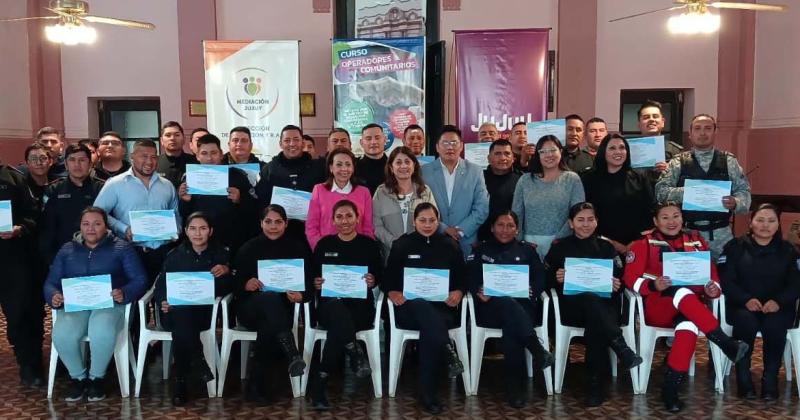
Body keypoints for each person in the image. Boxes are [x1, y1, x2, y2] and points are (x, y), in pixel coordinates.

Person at [622, 201, 748, 412]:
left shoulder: (696, 241)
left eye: (676, 216)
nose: (672, 221)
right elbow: (629, 279)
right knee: (681, 291)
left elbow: (712, 275)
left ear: (682, 218)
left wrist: (712, 288)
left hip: (692, 310)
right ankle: (725, 343)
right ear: (655, 221)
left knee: (688, 329)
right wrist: (653, 284)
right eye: (665, 217)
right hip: (659, 307)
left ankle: (670, 388)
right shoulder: (642, 244)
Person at [44, 207, 147, 402]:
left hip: (110, 303)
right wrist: (54, 295)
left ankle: (97, 378)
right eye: (86, 224)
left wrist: (124, 292)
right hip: (76, 305)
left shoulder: (122, 247)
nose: (91, 229)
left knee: (101, 329)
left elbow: (140, 279)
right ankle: (78, 378)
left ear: (106, 227)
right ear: (80, 227)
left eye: (97, 224)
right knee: (62, 334)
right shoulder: (67, 250)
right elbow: (51, 282)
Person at [545, 203, 642, 406]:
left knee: (596, 320)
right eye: (580, 220)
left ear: (597, 221)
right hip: (571, 309)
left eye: (591, 219)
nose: (586, 224)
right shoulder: (559, 247)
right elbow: (544, 280)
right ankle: (618, 351)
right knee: (592, 306)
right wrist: (557, 277)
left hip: (604, 307)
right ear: (571, 223)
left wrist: (617, 283)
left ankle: (595, 385)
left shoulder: (607, 247)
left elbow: (620, 277)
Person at [382, 203, 466, 415]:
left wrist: (458, 292)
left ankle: (428, 393)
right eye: (422, 220)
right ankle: (446, 353)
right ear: (414, 222)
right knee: (421, 306)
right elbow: (388, 279)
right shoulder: (402, 245)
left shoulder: (450, 245)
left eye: (432, 220)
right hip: (409, 310)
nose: (427, 225)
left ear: (438, 221)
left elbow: (462, 279)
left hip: (443, 309)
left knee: (432, 327)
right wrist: (392, 291)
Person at [468, 211, 554, 408]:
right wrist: (477, 290)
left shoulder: (527, 251)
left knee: (512, 326)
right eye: (500, 225)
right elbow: (470, 276)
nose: (505, 230)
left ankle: (515, 388)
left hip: (523, 309)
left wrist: (532, 290)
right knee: (508, 307)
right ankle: (535, 349)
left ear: (517, 229)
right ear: (492, 227)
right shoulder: (481, 250)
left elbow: (540, 278)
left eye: (510, 226)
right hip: (490, 310)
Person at [719, 203, 800, 400]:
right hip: (742, 306)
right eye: (760, 220)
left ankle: (770, 380)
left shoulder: (788, 251)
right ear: (750, 222)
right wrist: (745, 299)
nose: (765, 225)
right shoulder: (735, 247)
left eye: (771, 221)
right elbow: (726, 281)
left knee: (775, 324)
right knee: (746, 321)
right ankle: (744, 379)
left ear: (778, 224)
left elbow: (796, 284)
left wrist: (778, 302)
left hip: (778, 308)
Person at [308, 200, 383, 410]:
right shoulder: (324, 245)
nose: (345, 221)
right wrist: (315, 281)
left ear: (358, 218)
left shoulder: (369, 245)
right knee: (336, 309)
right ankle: (354, 351)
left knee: (337, 328)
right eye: (339, 217)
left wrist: (373, 279)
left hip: (360, 309)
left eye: (349, 216)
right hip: (328, 306)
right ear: (332, 220)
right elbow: (311, 275)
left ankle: (320, 385)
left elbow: (379, 275)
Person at [232, 205, 309, 405]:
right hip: (250, 310)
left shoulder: (297, 248)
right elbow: (234, 284)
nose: (273, 226)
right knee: (270, 298)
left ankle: (256, 386)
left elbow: (309, 284)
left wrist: (301, 295)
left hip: (281, 313)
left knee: (269, 325)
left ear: (286, 223)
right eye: (268, 222)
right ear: (261, 223)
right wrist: (245, 284)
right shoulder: (248, 248)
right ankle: (291, 352)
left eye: (278, 222)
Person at [154, 212, 232, 405]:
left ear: (211, 231)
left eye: (203, 228)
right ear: (186, 231)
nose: (198, 233)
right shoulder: (174, 255)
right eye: (193, 228)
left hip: (203, 313)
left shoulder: (220, 255)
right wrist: (163, 300)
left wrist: (225, 273)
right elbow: (160, 286)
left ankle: (181, 381)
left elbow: (229, 288)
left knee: (183, 323)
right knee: (181, 315)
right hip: (173, 312)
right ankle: (198, 360)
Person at [655, 113, 751, 260]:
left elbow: (744, 192)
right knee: (691, 280)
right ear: (690, 134)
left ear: (714, 132)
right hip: (688, 234)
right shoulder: (678, 162)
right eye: (697, 128)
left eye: (708, 128)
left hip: (722, 235)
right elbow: (660, 193)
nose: (702, 133)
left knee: (726, 277)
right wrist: (688, 193)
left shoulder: (728, 161)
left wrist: (736, 202)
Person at [94, 139, 180, 288]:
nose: (149, 161)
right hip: (131, 252)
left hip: (163, 253)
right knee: (135, 301)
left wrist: (176, 230)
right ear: (132, 157)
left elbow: (176, 215)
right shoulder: (115, 183)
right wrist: (123, 228)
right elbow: (97, 214)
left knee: (164, 300)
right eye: (144, 156)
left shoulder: (167, 185)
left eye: (153, 157)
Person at [0, 158, 44, 388]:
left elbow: (33, 214)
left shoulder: (15, 178)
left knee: (21, 314)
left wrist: (21, 228)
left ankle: (29, 365)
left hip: (13, 259)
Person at [177, 134, 258, 254]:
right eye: (204, 153)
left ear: (221, 153)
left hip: (231, 242)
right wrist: (184, 201)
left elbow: (254, 210)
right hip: (201, 244)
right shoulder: (190, 178)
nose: (209, 158)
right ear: (197, 156)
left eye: (213, 153)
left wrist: (240, 199)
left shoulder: (237, 176)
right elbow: (184, 215)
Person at [512, 135, 585, 259]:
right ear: (538, 155)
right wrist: (519, 243)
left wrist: (557, 242)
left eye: (552, 150)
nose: (548, 155)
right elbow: (516, 214)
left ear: (561, 152)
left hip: (563, 244)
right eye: (543, 151)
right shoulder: (525, 180)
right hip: (529, 246)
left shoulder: (572, 179)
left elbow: (577, 214)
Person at [421, 125, 489, 257]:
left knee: (465, 277)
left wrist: (460, 230)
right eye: (445, 143)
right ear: (437, 147)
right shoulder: (424, 172)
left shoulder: (475, 171)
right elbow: (421, 205)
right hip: (434, 236)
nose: (450, 147)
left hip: (465, 240)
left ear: (461, 146)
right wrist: (444, 228)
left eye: (454, 142)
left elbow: (482, 207)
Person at [581, 134, 654, 254]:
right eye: (612, 148)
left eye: (622, 147)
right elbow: (585, 213)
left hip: (637, 244)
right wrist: (611, 243)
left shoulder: (639, 177)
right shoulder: (589, 179)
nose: (618, 152)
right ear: (603, 151)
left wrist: (637, 241)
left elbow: (650, 210)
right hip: (601, 244)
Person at [40, 144, 104, 265]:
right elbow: (47, 229)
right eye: (72, 160)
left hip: (98, 255)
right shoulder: (53, 190)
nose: (77, 164)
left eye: (82, 160)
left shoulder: (102, 188)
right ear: (65, 165)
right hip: (63, 256)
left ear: (90, 164)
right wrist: (50, 260)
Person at [373, 146, 436, 261]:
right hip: (390, 253)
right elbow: (376, 225)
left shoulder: (425, 191)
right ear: (391, 168)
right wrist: (395, 243)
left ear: (414, 166)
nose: (403, 166)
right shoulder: (381, 192)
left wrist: (415, 243)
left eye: (407, 162)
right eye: (398, 162)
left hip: (420, 252)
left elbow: (434, 220)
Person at [306, 148, 374, 249]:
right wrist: (320, 249)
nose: (344, 169)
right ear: (331, 168)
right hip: (327, 251)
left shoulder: (364, 192)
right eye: (339, 164)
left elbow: (368, 227)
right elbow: (311, 227)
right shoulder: (319, 190)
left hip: (358, 250)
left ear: (353, 168)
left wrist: (366, 249)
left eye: (348, 164)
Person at [255, 124, 326, 210]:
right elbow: (262, 201)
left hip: (311, 221)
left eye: (296, 140)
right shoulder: (269, 169)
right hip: (279, 222)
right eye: (287, 140)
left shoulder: (318, 168)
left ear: (303, 143)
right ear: (280, 144)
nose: (292, 144)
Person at [478, 139, 521, 242]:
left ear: (513, 158)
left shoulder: (521, 180)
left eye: (507, 153)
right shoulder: (478, 178)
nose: (503, 158)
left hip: (512, 239)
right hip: (482, 238)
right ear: (489, 158)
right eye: (498, 153)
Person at [157, 121, 198, 188]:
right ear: (161, 140)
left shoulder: (195, 162)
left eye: (177, 135)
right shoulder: (155, 163)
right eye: (168, 135)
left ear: (184, 139)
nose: (172, 138)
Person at [22, 142, 55, 215]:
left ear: (50, 162)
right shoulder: (21, 187)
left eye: (43, 158)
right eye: (33, 159)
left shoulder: (58, 187)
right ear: (27, 163)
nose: (39, 162)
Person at [356, 123, 388, 195]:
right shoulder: (354, 166)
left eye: (377, 138)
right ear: (361, 142)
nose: (373, 142)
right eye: (368, 139)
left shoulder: (393, 166)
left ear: (385, 140)